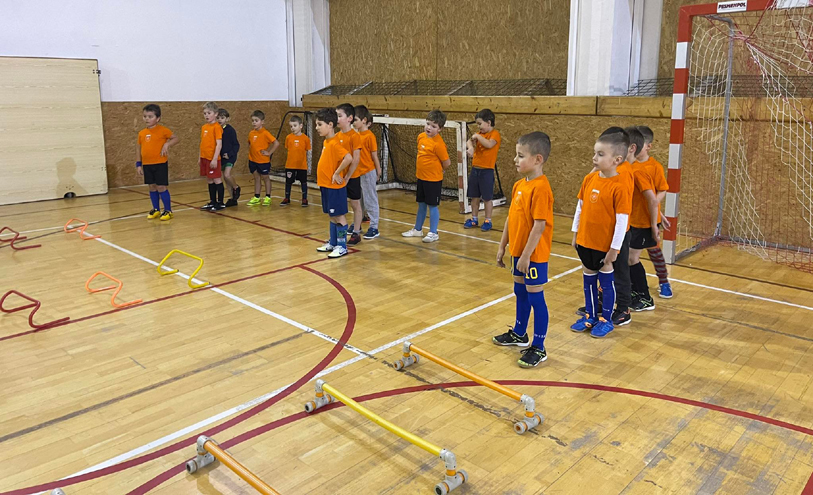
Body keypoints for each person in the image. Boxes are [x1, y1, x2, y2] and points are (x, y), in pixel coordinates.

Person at [492, 132, 554, 368]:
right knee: (520, 291)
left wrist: (527, 255)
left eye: (520, 156)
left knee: (536, 297)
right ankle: (519, 333)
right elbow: (511, 218)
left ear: (538, 159)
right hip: (518, 252)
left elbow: (539, 226)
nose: (515, 160)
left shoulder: (541, 188)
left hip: (533, 255)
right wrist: (502, 246)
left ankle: (539, 346)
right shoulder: (519, 185)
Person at [570, 128, 632, 338]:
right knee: (588, 281)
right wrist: (575, 233)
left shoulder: (620, 186)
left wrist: (614, 249)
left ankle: (606, 319)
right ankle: (590, 315)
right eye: (595, 153)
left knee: (606, 283)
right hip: (585, 242)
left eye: (600, 154)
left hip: (604, 246)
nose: (594, 158)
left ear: (617, 160)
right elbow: (580, 207)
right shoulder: (589, 179)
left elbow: (622, 221)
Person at [401, 109, 451, 243]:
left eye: (433, 126)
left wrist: (440, 170)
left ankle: (433, 232)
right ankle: (417, 229)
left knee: (432, 206)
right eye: (428, 124)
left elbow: (447, 162)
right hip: (421, 178)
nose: (429, 127)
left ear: (440, 129)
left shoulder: (438, 144)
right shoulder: (421, 137)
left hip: (433, 180)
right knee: (421, 205)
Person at [314, 108, 353, 258]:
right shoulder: (327, 141)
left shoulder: (335, 143)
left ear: (330, 124)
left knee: (339, 217)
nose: (317, 128)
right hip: (325, 185)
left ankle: (342, 246)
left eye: (319, 124)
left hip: (334, 188)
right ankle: (333, 242)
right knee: (332, 216)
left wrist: (337, 173)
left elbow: (348, 158)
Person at [136, 104, 179, 221]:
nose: (147, 119)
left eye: (150, 116)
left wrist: (167, 144)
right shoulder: (142, 133)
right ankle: (156, 209)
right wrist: (138, 164)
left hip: (160, 164)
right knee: (152, 186)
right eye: (145, 116)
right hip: (147, 164)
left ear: (158, 118)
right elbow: (138, 149)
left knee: (161, 187)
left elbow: (176, 138)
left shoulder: (163, 130)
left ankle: (168, 210)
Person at [464, 109, 501, 232]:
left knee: (487, 198)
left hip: (487, 171)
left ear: (488, 123)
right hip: (475, 170)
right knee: (474, 196)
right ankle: (474, 218)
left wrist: (478, 137)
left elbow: (489, 144)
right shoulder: (479, 134)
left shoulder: (494, 135)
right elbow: (469, 141)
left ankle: (487, 220)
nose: (478, 127)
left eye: (480, 124)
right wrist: (470, 148)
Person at [281, 115, 311, 207]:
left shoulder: (305, 138)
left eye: (295, 125)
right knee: (288, 182)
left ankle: (304, 199)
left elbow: (307, 150)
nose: (293, 128)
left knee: (303, 182)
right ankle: (287, 198)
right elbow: (288, 148)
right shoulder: (288, 138)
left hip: (302, 166)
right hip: (290, 165)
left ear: (300, 126)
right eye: (291, 126)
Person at [199, 102, 224, 211]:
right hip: (204, 158)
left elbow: (219, 144)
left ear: (216, 114)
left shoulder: (217, 127)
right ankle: (212, 201)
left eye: (209, 113)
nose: (206, 115)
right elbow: (202, 143)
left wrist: (214, 159)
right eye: (205, 113)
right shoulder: (204, 127)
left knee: (217, 179)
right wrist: (200, 157)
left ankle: (220, 202)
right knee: (209, 179)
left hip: (213, 158)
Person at [217, 109, 241, 207]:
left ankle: (236, 187)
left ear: (227, 119)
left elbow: (236, 145)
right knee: (225, 179)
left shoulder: (230, 130)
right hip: (221, 158)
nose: (220, 120)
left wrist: (230, 154)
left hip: (230, 157)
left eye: (222, 118)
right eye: (218, 118)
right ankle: (232, 199)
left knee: (227, 175)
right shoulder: (216, 129)